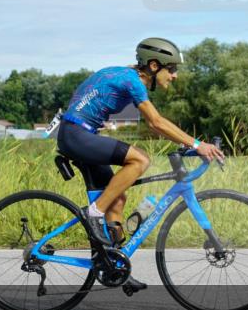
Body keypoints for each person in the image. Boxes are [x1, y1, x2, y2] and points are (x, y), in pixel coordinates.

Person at [56, 37, 226, 292]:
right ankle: (93, 213)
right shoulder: (133, 81)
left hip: (80, 134)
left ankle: (113, 265)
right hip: (76, 135)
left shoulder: (128, 77)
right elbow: (156, 123)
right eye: (172, 69)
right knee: (141, 159)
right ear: (155, 65)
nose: (175, 76)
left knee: (118, 199)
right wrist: (196, 144)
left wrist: (188, 143)